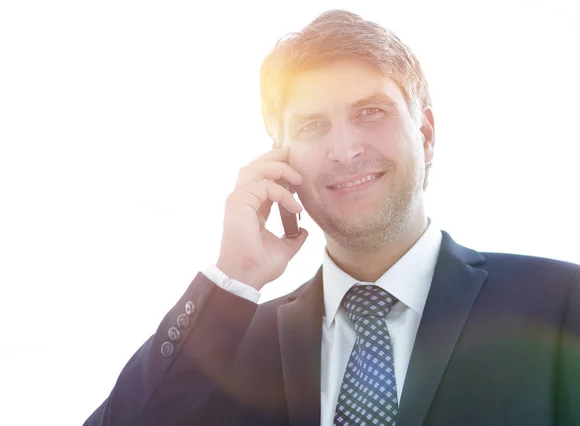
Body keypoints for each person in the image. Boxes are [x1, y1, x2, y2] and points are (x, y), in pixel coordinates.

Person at [83, 9, 580, 426]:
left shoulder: (559, 305)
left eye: (370, 112)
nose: (344, 150)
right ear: (281, 157)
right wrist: (232, 278)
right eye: (313, 125)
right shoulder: (230, 345)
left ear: (425, 134)